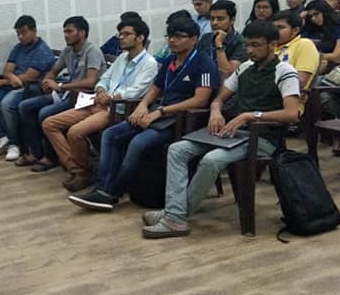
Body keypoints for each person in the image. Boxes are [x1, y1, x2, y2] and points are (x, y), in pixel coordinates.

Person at [142, 20, 300, 238]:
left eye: (256, 45)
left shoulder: (285, 72)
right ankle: (175, 213)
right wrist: (215, 110)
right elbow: (219, 98)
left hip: (263, 138)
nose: (250, 50)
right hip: (235, 134)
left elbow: (292, 113)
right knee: (177, 149)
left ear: (273, 45)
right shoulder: (245, 68)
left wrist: (250, 115)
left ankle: (175, 217)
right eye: (247, 45)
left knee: (211, 160)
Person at [69, 16, 218, 211]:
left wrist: (161, 111)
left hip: (180, 120)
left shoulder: (204, 63)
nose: (172, 40)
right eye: (170, 36)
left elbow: (200, 100)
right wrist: (143, 106)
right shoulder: (170, 61)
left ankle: (112, 192)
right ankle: (102, 188)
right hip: (159, 113)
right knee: (111, 134)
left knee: (137, 143)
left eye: (179, 36)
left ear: (193, 39)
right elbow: (155, 88)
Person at [41, 18, 158, 192]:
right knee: (49, 124)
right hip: (96, 102)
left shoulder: (149, 63)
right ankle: (78, 169)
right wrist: (102, 90)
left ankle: (83, 172)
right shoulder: (122, 58)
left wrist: (109, 97)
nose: (121, 37)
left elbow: (136, 91)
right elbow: (103, 79)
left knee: (75, 132)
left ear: (140, 38)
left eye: (126, 34)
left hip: (116, 109)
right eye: (120, 34)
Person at [14, 17, 105, 170]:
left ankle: (51, 157)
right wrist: (47, 81)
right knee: (25, 106)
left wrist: (61, 86)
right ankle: (36, 152)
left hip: (86, 98)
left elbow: (91, 82)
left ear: (82, 33)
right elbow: (53, 71)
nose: (65, 35)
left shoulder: (92, 51)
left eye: (69, 31)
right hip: (69, 95)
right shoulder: (67, 51)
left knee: (45, 113)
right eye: (64, 32)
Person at [0, 15, 56, 161]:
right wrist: (11, 78)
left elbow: (29, 77)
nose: (20, 37)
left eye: (23, 33)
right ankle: (2, 136)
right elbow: (7, 70)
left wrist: (3, 82)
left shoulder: (42, 50)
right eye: (18, 33)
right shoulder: (18, 48)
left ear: (34, 30)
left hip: (30, 88)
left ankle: (14, 144)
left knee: (6, 104)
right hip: (12, 85)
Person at [270, 10, 319, 113]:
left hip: (286, 104)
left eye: (280, 27)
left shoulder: (304, 44)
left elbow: (299, 82)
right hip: (258, 98)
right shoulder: (270, 47)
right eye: (273, 28)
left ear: (295, 30)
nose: (274, 32)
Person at [196, 0, 248, 79]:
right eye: (212, 18)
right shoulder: (206, 38)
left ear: (232, 20)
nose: (214, 23)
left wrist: (219, 45)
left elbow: (227, 73)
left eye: (220, 19)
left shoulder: (241, 43)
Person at [301, 0, 340, 68]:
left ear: (325, 12)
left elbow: (337, 56)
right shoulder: (309, 29)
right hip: (306, 64)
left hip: (328, 67)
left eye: (316, 14)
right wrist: (300, 18)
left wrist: (312, 56)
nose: (313, 18)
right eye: (310, 16)